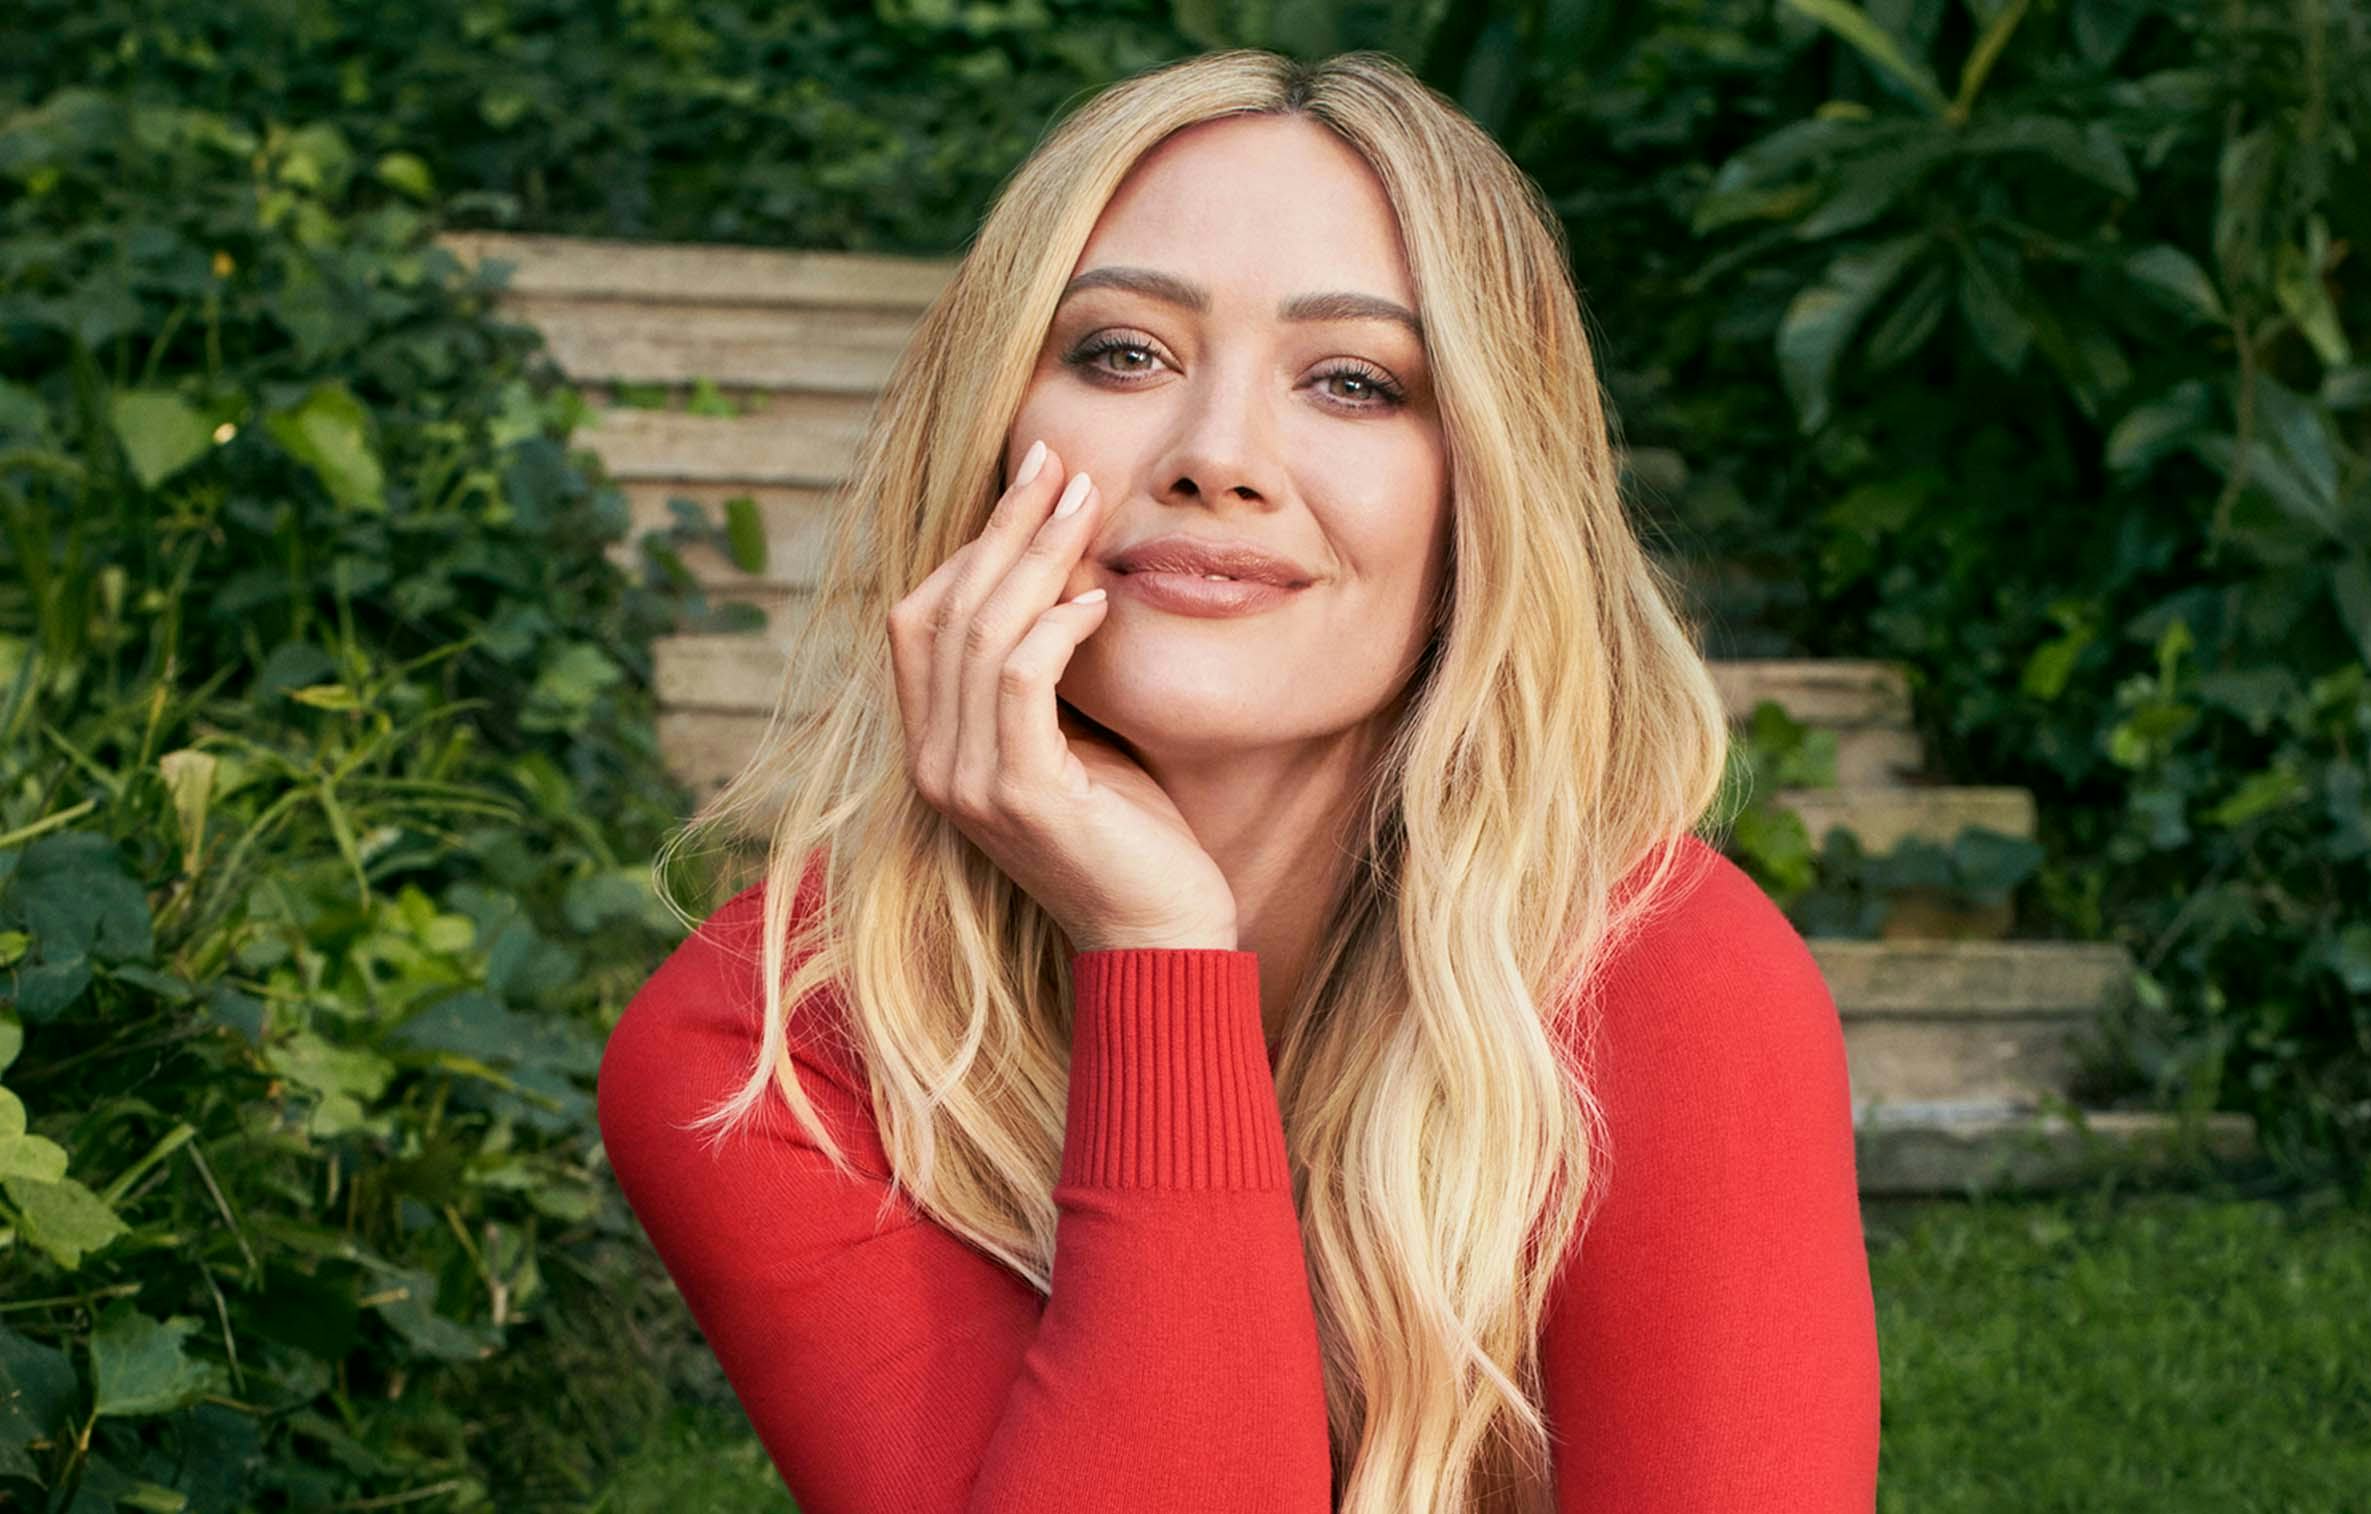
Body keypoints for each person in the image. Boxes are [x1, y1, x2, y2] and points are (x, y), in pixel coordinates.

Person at [595, 46, 1879, 1514]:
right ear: (991, 432)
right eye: (1124, 354)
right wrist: (1156, 949)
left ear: (1483, 497)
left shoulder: (1667, 986)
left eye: (1354, 382)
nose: (1218, 457)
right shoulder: (768, 1051)